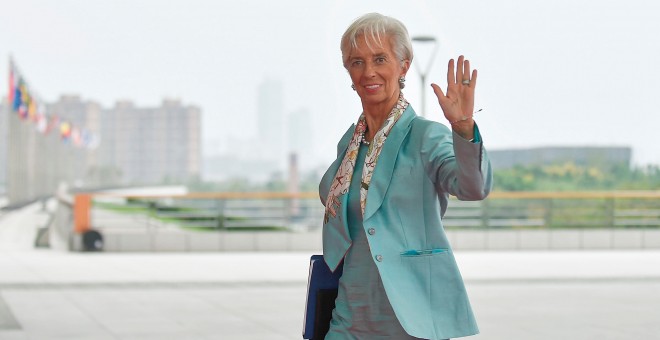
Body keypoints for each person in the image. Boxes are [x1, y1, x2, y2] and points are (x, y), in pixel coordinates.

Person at [319, 13, 493, 340]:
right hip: (351, 312)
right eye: (357, 61)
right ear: (348, 71)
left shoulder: (426, 136)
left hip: (411, 313)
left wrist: (464, 129)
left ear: (404, 65)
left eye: (380, 59)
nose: (368, 71)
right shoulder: (351, 143)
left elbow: (473, 187)